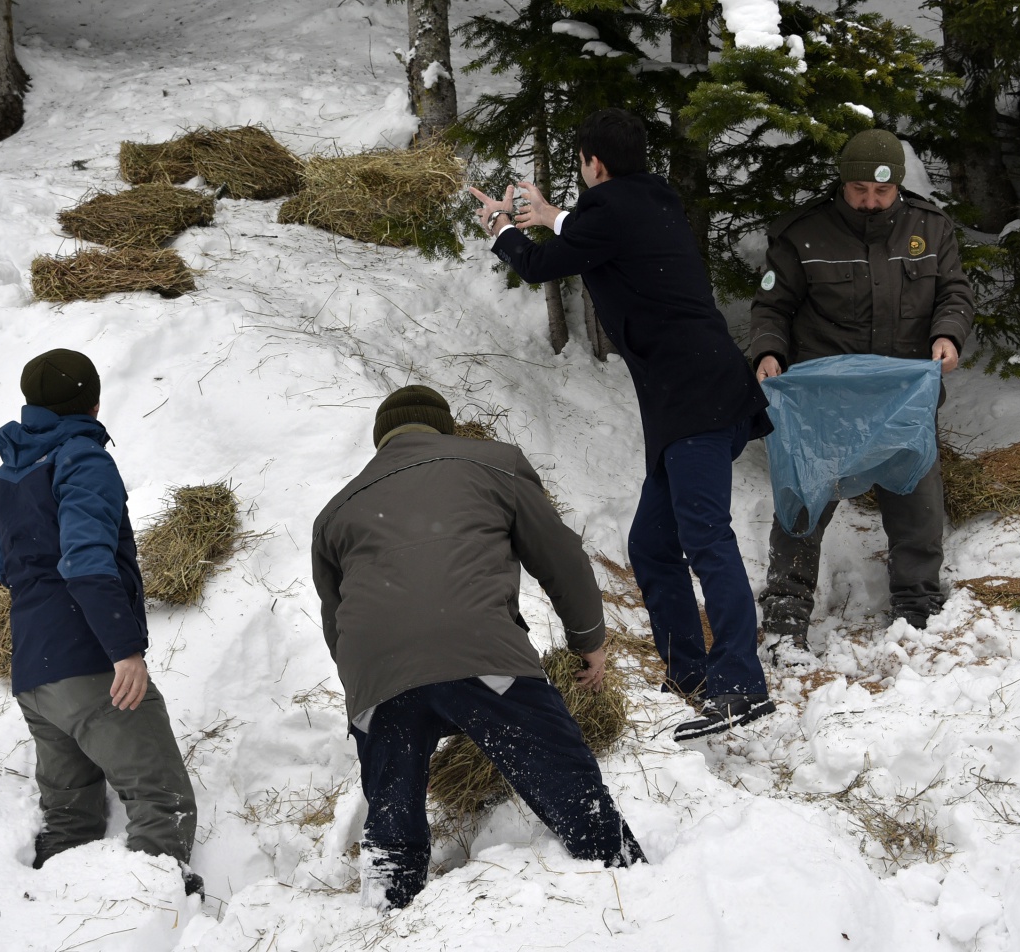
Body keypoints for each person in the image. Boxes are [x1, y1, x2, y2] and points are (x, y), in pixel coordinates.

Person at [468, 108, 773, 741]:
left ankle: (741, 685)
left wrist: (502, 225)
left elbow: (539, 264)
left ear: (594, 164)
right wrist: (554, 215)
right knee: (653, 546)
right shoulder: (651, 200)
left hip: (695, 400)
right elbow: (593, 230)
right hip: (696, 397)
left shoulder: (612, 213)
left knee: (706, 537)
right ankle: (690, 679)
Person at [311, 385, 645, 910]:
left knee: (392, 814)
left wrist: (379, 687)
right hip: (480, 653)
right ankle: (627, 880)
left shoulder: (335, 512)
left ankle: (386, 915)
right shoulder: (494, 463)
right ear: (444, 428)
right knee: (564, 782)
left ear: (382, 443)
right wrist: (589, 642)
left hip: (379, 678)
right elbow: (561, 557)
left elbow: (338, 627)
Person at [749, 129, 975, 651]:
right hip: (827, 403)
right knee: (805, 501)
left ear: (897, 184)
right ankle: (785, 609)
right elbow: (772, 307)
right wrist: (768, 352)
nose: (871, 202)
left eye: (881, 192)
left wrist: (948, 333)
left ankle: (918, 607)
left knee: (916, 499)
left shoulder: (930, 228)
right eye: (859, 191)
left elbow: (955, 292)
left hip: (902, 397)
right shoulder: (804, 234)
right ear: (842, 184)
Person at [0, 348, 201, 895]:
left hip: (34, 673)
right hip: (87, 661)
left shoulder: (11, 471)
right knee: (160, 799)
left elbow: (3, 566)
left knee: (70, 816)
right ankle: (147, 913)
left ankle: (59, 916)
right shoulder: (82, 459)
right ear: (94, 401)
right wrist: (124, 649)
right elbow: (84, 561)